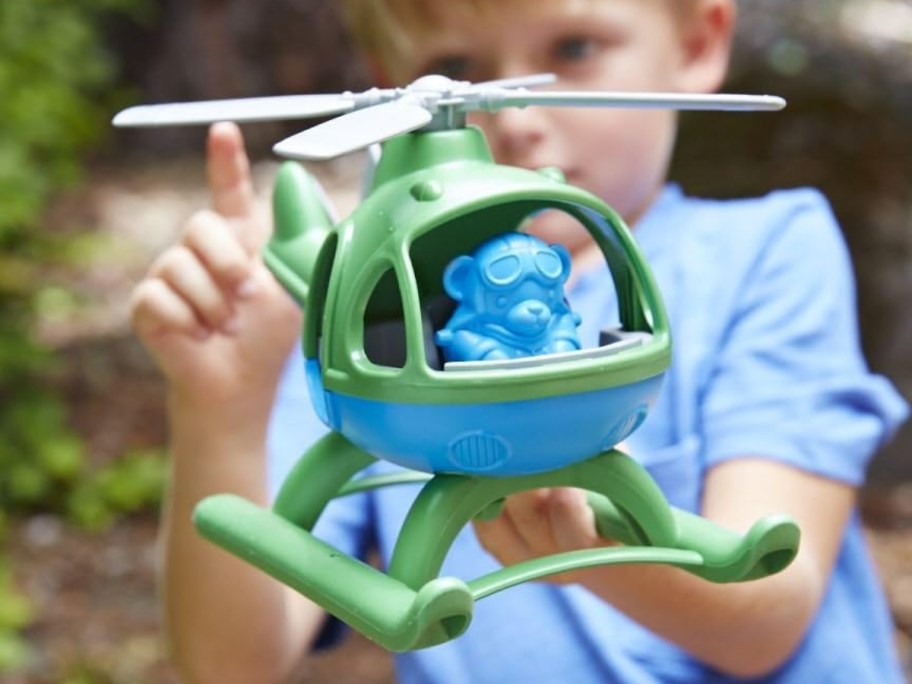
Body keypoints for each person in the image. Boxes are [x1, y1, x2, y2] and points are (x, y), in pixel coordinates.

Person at [130, 1, 909, 682]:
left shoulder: (770, 248)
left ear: (697, 43)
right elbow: (232, 664)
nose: (516, 117)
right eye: (456, 67)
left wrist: (606, 541)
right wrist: (220, 410)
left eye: (572, 49)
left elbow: (767, 622)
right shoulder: (359, 328)